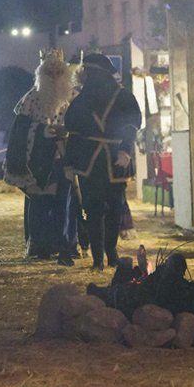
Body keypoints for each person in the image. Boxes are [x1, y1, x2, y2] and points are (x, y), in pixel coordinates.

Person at [64, 53, 142, 271]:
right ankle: (99, 258)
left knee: (114, 209)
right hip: (91, 162)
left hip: (113, 158)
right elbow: (74, 133)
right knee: (95, 209)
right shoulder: (81, 100)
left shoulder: (122, 97)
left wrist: (126, 151)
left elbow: (130, 126)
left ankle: (111, 253)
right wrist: (69, 164)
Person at [4, 49, 77, 266]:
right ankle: (41, 246)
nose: (54, 76)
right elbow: (20, 129)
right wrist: (42, 132)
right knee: (40, 204)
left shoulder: (73, 98)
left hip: (63, 159)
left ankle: (64, 246)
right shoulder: (31, 98)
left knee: (64, 204)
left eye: (58, 71)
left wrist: (68, 131)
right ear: (42, 73)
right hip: (37, 162)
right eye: (50, 71)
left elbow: (81, 125)